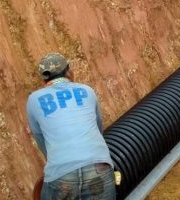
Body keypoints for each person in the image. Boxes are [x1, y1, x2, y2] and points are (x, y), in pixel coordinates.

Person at [27, 53, 116, 200]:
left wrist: (58, 162)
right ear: (68, 71)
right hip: (98, 167)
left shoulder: (33, 99)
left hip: (62, 175)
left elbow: (39, 137)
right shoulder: (87, 90)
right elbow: (98, 126)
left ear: (44, 78)